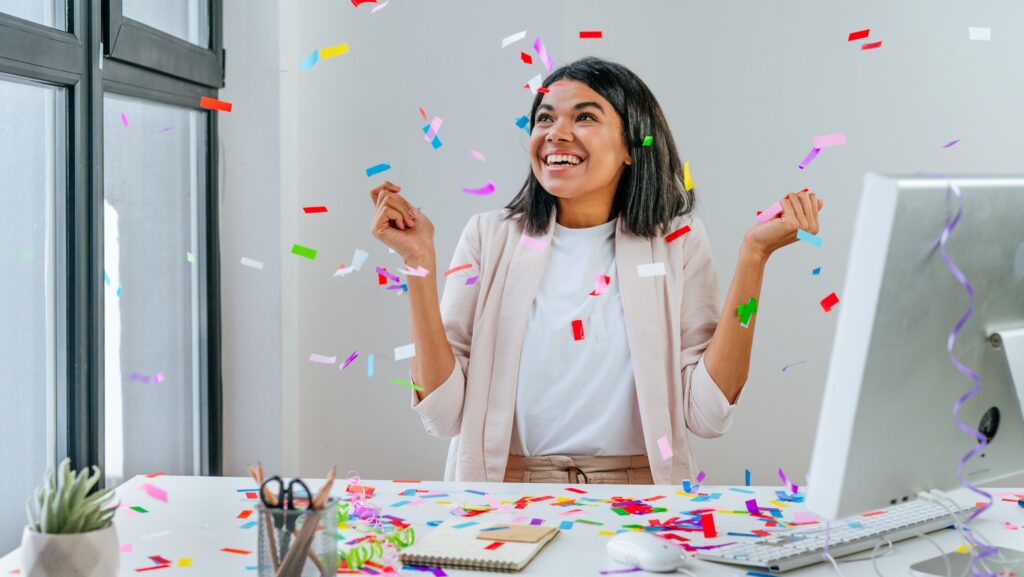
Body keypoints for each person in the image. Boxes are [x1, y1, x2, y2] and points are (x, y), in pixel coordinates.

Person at [368, 57, 822, 485]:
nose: (556, 133)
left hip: (641, 492)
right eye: (545, 118)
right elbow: (441, 414)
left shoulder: (677, 241)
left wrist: (753, 258)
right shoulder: (489, 236)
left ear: (631, 146)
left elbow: (707, 414)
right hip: (505, 490)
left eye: (584, 117)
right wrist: (417, 263)